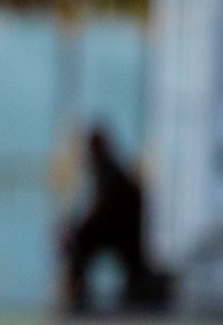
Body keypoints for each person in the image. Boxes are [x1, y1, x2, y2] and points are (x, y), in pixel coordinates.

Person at [62, 124, 171, 314]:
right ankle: (77, 294)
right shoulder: (108, 172)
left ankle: (77, 296)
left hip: (122, 234)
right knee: (78, 243)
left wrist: (78, 230)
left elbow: (103, 213)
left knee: (78, 245)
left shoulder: (111, 174)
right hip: (120, 232)